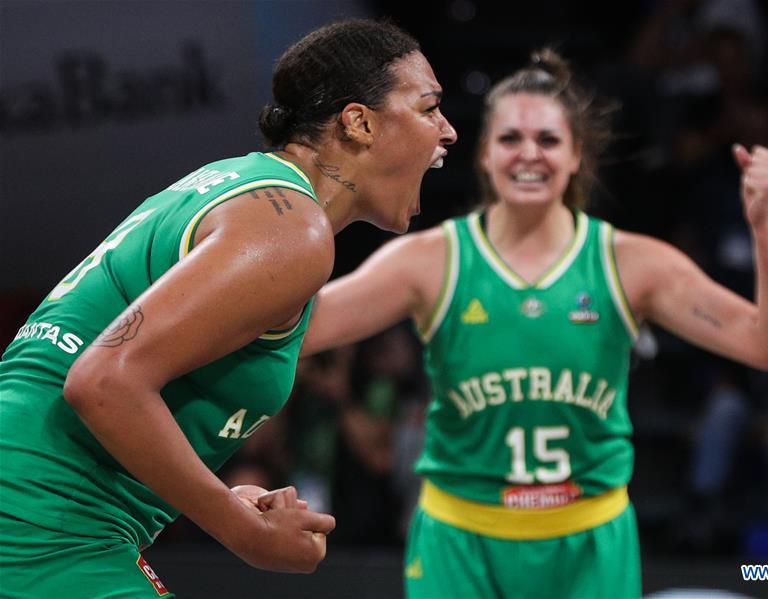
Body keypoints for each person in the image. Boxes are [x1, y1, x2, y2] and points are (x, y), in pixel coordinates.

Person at [301, 48, 768, 598]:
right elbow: (295, 330)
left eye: (548, 139)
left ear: (576, 155)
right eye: (510, 138)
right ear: (485, 155)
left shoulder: (630, 264)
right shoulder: (431, 261)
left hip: (588, 538)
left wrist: (763, 225)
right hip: (461, 540)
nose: (529, 154)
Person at [0, 18, 456, 598]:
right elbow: (103, 382)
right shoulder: (291, 231)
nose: (448, 131)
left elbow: (108, 371)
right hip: (38, 526)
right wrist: (246, 533)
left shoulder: (240, 188)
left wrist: (224, 498)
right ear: (359, 122)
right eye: (429, 108)